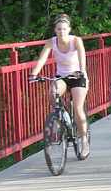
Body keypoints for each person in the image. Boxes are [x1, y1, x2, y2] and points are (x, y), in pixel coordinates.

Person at [29, 14, 89, 156]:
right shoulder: (51, 42)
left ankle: (84, 140)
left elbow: (82, 58)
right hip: (61, 76)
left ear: (69, 29)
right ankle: (59, 118)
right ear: (55, 30)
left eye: (64, 29)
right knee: (53, 93)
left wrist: (82, 71)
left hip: (77, 76)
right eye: (58, 29)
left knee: (78, 108)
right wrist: (34, 74)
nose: (61, 32)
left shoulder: (76, 41)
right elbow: (42, 59)